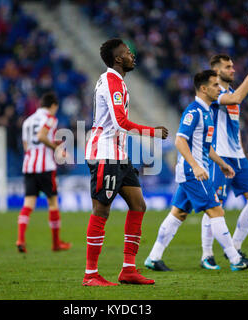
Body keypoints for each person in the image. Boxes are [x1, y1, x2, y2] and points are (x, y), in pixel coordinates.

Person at [144, 70, 248, 272]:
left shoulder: (207, 112)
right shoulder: (194, 112)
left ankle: (153, 257)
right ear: (204, 88)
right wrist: (196, 166)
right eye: (216, 85)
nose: (220, 88)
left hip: (197, 170)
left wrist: (222, 164)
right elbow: (180, 140)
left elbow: (206, 146)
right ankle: (235, 260)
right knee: (216, 210)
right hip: (193, 172)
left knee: (178, 213)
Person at [82, 38, 169, 287]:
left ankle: (128, 270)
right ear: (118, 59)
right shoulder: (111, 82)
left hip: (119, 155)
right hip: (105, 154)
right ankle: (91, 274)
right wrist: (151, 132)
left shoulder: (116, 81)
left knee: (138, 205)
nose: (132, 55)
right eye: (128, 53)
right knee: (102, 210)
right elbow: (120, 122)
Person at [199, 53, 248, 269]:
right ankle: (207, 255)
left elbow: (234, 117)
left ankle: (234, 248)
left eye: (233, 66)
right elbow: (235, 100)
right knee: (215, 205)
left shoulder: (232, 91)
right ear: (217, 72)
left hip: (238, 156)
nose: (233, 70)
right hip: (220, 156)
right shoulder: (215, 94)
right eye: (228, 67)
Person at [16, 91, 71, 253]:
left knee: (28, 204)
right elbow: (41, 136)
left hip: (28, 166)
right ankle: (56, 243)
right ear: (53, 106)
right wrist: (57, 148)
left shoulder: (27, 121)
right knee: (53, 203)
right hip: (46, 167)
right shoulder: (51, 119)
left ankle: (20, 239)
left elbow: (26, 146)